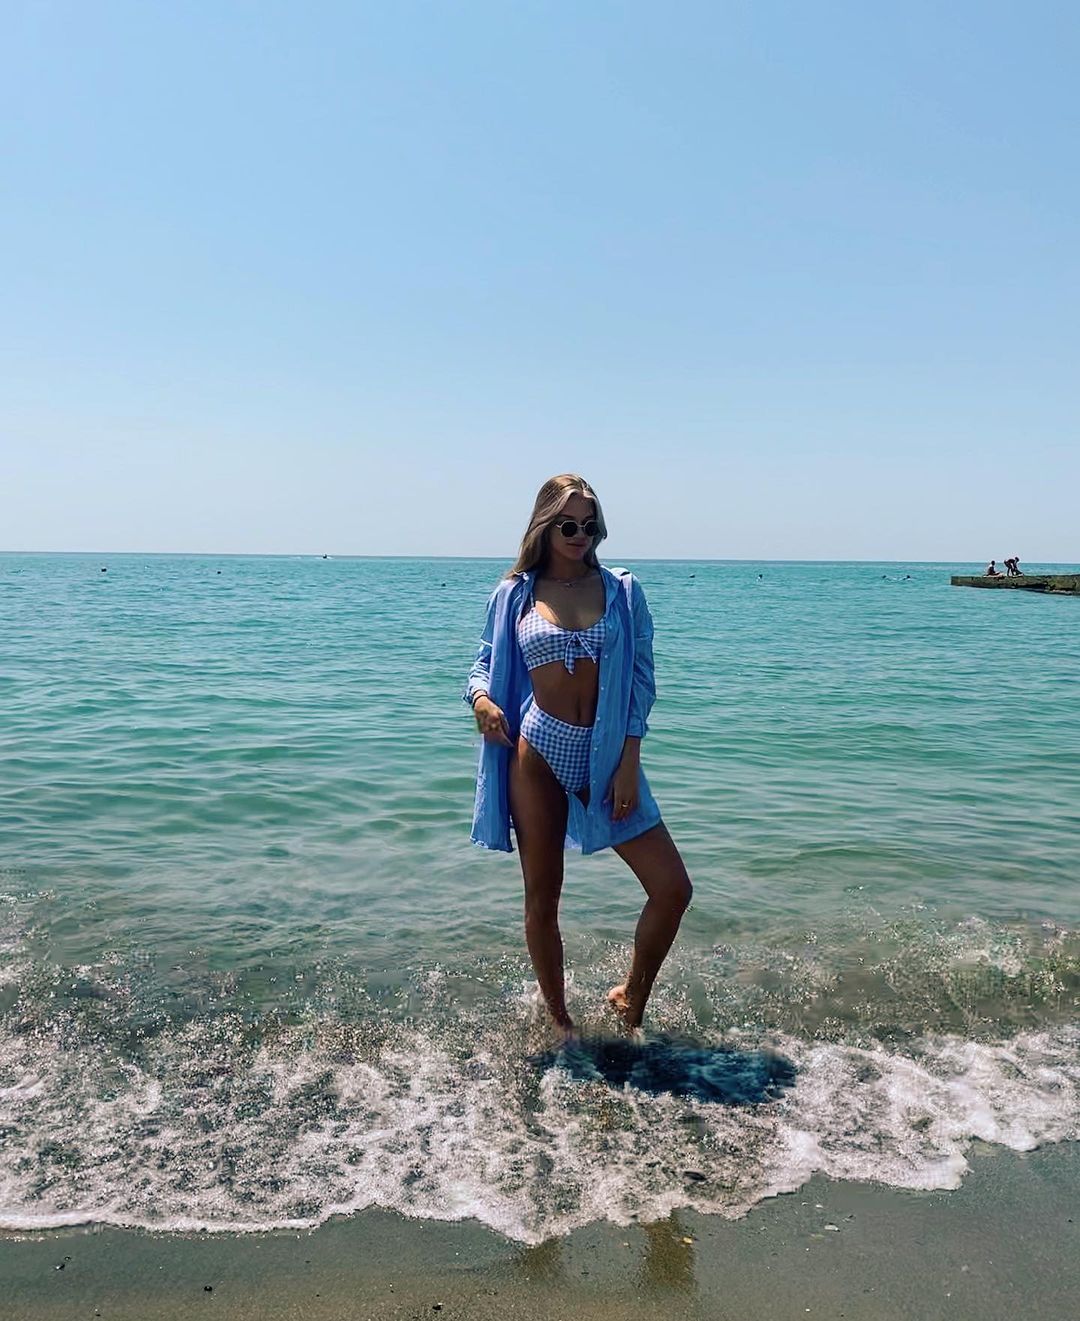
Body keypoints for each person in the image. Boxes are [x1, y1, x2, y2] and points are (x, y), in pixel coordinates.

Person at [463, 474, 693, 1040]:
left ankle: (632, 996)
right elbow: (481, 664)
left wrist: (629, 759)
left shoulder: (622, 591)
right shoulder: (515, 593)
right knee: (542, 899)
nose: (580, 535)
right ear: (545, 526)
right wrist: (482, 701)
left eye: (590, 525)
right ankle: (559, 1019)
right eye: (568, 525)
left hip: (607, 756)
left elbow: (642, 680)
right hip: (538, 750)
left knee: (672, 889)